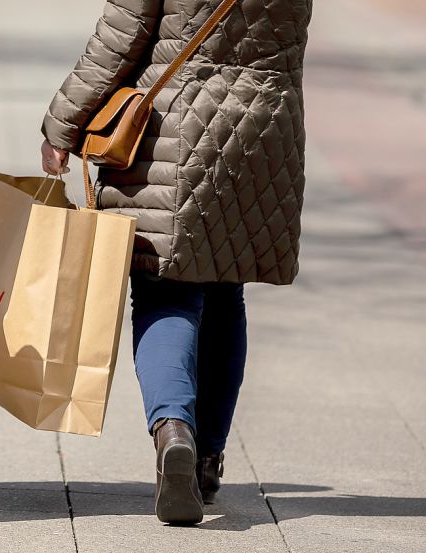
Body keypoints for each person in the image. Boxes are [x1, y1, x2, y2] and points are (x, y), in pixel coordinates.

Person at [40, 0, 311, 525]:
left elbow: (125, 30)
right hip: (267, 124)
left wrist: (62, 123)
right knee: (225, 285)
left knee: (165, 287)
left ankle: (173, 431)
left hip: (179, 122)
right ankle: (206, 460)